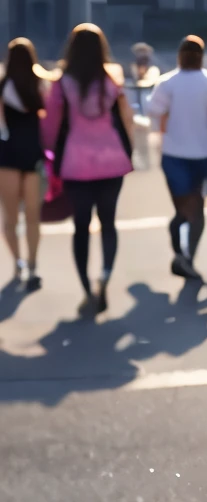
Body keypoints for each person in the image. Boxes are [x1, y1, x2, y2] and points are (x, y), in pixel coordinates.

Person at [42, 23, 132, 316]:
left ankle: (85, 286)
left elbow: (51, 125)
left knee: (80, 227)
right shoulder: (112, 79)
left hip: (76, 163)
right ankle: (104, 276)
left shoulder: (62, 83)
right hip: (112, 160)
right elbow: (125, 120)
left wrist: (49, 156)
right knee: (108, 223)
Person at [148, 34, 207, 283]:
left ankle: (181, 254)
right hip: (204, 155)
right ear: (201, 57)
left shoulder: (167, 83)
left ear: (179, 56)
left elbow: (153, 111)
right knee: (197, 211)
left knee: (182, 209)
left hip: (174, 156)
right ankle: (187, 258)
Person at [0, 36, 49, 290]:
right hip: (32, 153)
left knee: (10, 218)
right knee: (32, 216)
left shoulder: (3, 85)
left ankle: (17, 262)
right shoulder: (40, 84)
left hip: (6, 155)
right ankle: (32, 264)